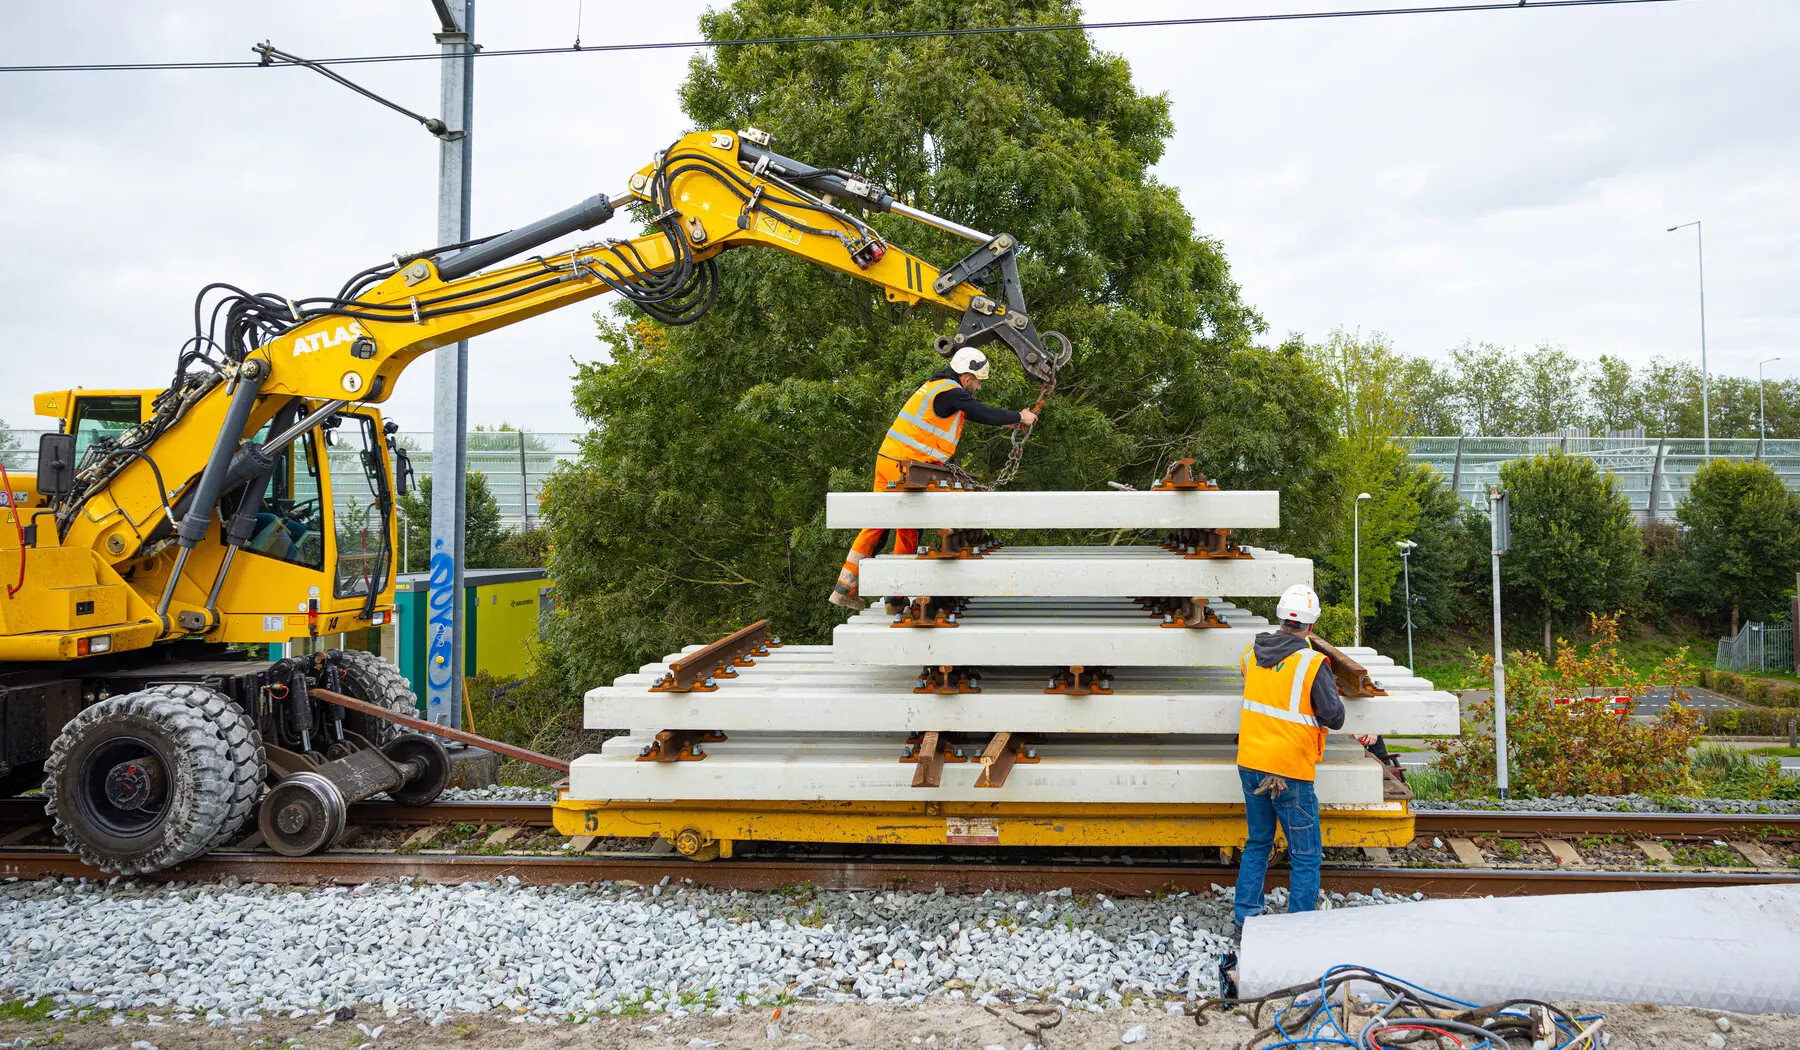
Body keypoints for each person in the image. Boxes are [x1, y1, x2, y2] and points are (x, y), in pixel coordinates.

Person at [828, 347, 1039, 611]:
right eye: (978, 382)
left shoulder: (936, 388)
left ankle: (849, 589)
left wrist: (1008, 422)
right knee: (918, 523)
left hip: (889, 460)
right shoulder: (950, 391)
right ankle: (894, 594)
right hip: (906, 466)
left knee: (882, 523)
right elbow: (982, 411)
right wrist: (1019, 416)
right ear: (966, 378)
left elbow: (971, 413)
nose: (978, 387)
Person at [1233, 583, 1346, 933]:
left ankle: (1246, 919)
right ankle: (1298, 929)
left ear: (1280, 617)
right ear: (1311, 625)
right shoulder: (1312, 663)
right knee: (1305, 854)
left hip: (1251, 764)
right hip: (1289, 771)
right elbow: (1334, 717)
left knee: (1258, 843)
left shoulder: (1251, 653)